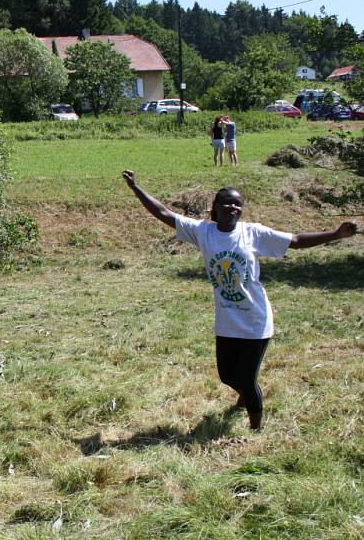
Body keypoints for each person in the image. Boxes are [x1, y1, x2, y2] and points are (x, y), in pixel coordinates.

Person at [122, 169, 357, 429]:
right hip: (227, 321)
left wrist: (336, 234)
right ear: (215, 207)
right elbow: (164, 213)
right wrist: (136, 188)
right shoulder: (203, 232)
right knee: (226, 377)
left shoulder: (253, 233)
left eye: (238, 203)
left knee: (246, 379)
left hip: (255, 319)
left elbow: (297, 241)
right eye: (227, 202)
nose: (233, 207)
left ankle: (255, 429)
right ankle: (245, 397)